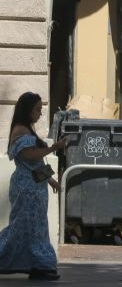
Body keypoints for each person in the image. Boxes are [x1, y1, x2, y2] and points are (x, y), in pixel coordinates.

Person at [0, 92, 68, 281]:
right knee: (22, 226)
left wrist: (50, 180)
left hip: (34, 186)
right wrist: (54, 147)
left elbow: (34, 164)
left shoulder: (27, 129)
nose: (40, 113)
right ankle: (35, 263)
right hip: (26, 188)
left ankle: (39, 264)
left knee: (35, 227)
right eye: (37, 109)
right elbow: (30, 156)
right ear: (27, 110)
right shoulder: (20, 130)